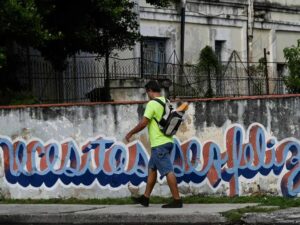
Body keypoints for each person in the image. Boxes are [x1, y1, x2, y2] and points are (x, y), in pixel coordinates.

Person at [125, 80, 182, 208]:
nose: (147, 94)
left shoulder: (152, 104)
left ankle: (177, 200)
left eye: (147, 92)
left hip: (159, 144)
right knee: (152, 169)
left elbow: (144, 123)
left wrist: (130, 133)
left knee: (168, 171)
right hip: (168, 140)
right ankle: (145, 198)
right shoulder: (166, 102)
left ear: (150, 90)